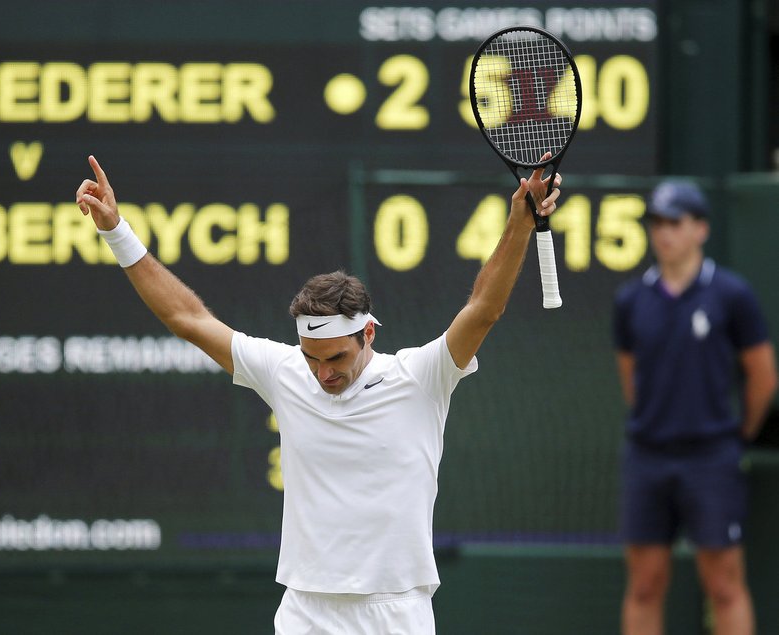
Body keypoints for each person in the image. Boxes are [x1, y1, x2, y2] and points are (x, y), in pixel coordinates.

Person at [76, 154, 563, 634]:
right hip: (306, 612)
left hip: (397, 610)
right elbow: (189, 319)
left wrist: (520, 222)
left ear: (369, 334)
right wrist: (117, 231)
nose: (322, 373)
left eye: (336, 359)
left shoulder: (421, 376)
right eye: (312, 357)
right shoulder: (285, 371)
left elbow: (483, 309)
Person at [613, 180, 778, 635]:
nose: (664, 233)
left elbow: (763, 377)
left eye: (675, 222)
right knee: (644, 584)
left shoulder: (732, 295)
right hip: (648, 455)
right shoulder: (631, 301)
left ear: (700, 229)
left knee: (724, 584)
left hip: (712, 457)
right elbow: (632, 378)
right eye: (657, 223)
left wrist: (734, 434)